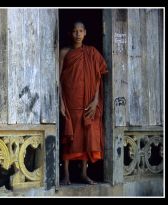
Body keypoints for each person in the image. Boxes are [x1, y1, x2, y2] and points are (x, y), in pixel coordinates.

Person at [59, 21, 108, 185]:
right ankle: (66, 175)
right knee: (70, 136)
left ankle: (83, 174)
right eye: (74, 31)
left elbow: (97, 78)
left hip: (88, 102)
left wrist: (95, 101)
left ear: (85, 32)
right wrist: (60, 102)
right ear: (70, 33)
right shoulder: (64, 52)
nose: (77, 34)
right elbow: (57, 79)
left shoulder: (92, 53)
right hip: (71, 100)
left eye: (80, 31)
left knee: (86, 136)